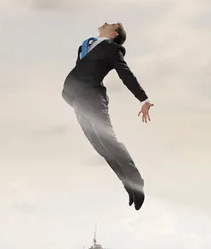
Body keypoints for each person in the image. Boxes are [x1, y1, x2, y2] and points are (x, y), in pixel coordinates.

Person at [61, 22, 153, 210]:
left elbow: (125, 74)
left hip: (93, 98)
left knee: (108, 140)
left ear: (113, 33)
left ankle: (137, 182)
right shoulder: (85, 46)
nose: (105, 22)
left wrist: (143, 99)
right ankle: (128, 184)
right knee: (101, 147)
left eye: (111, 24)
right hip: (78, 101)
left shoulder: (113, 49)